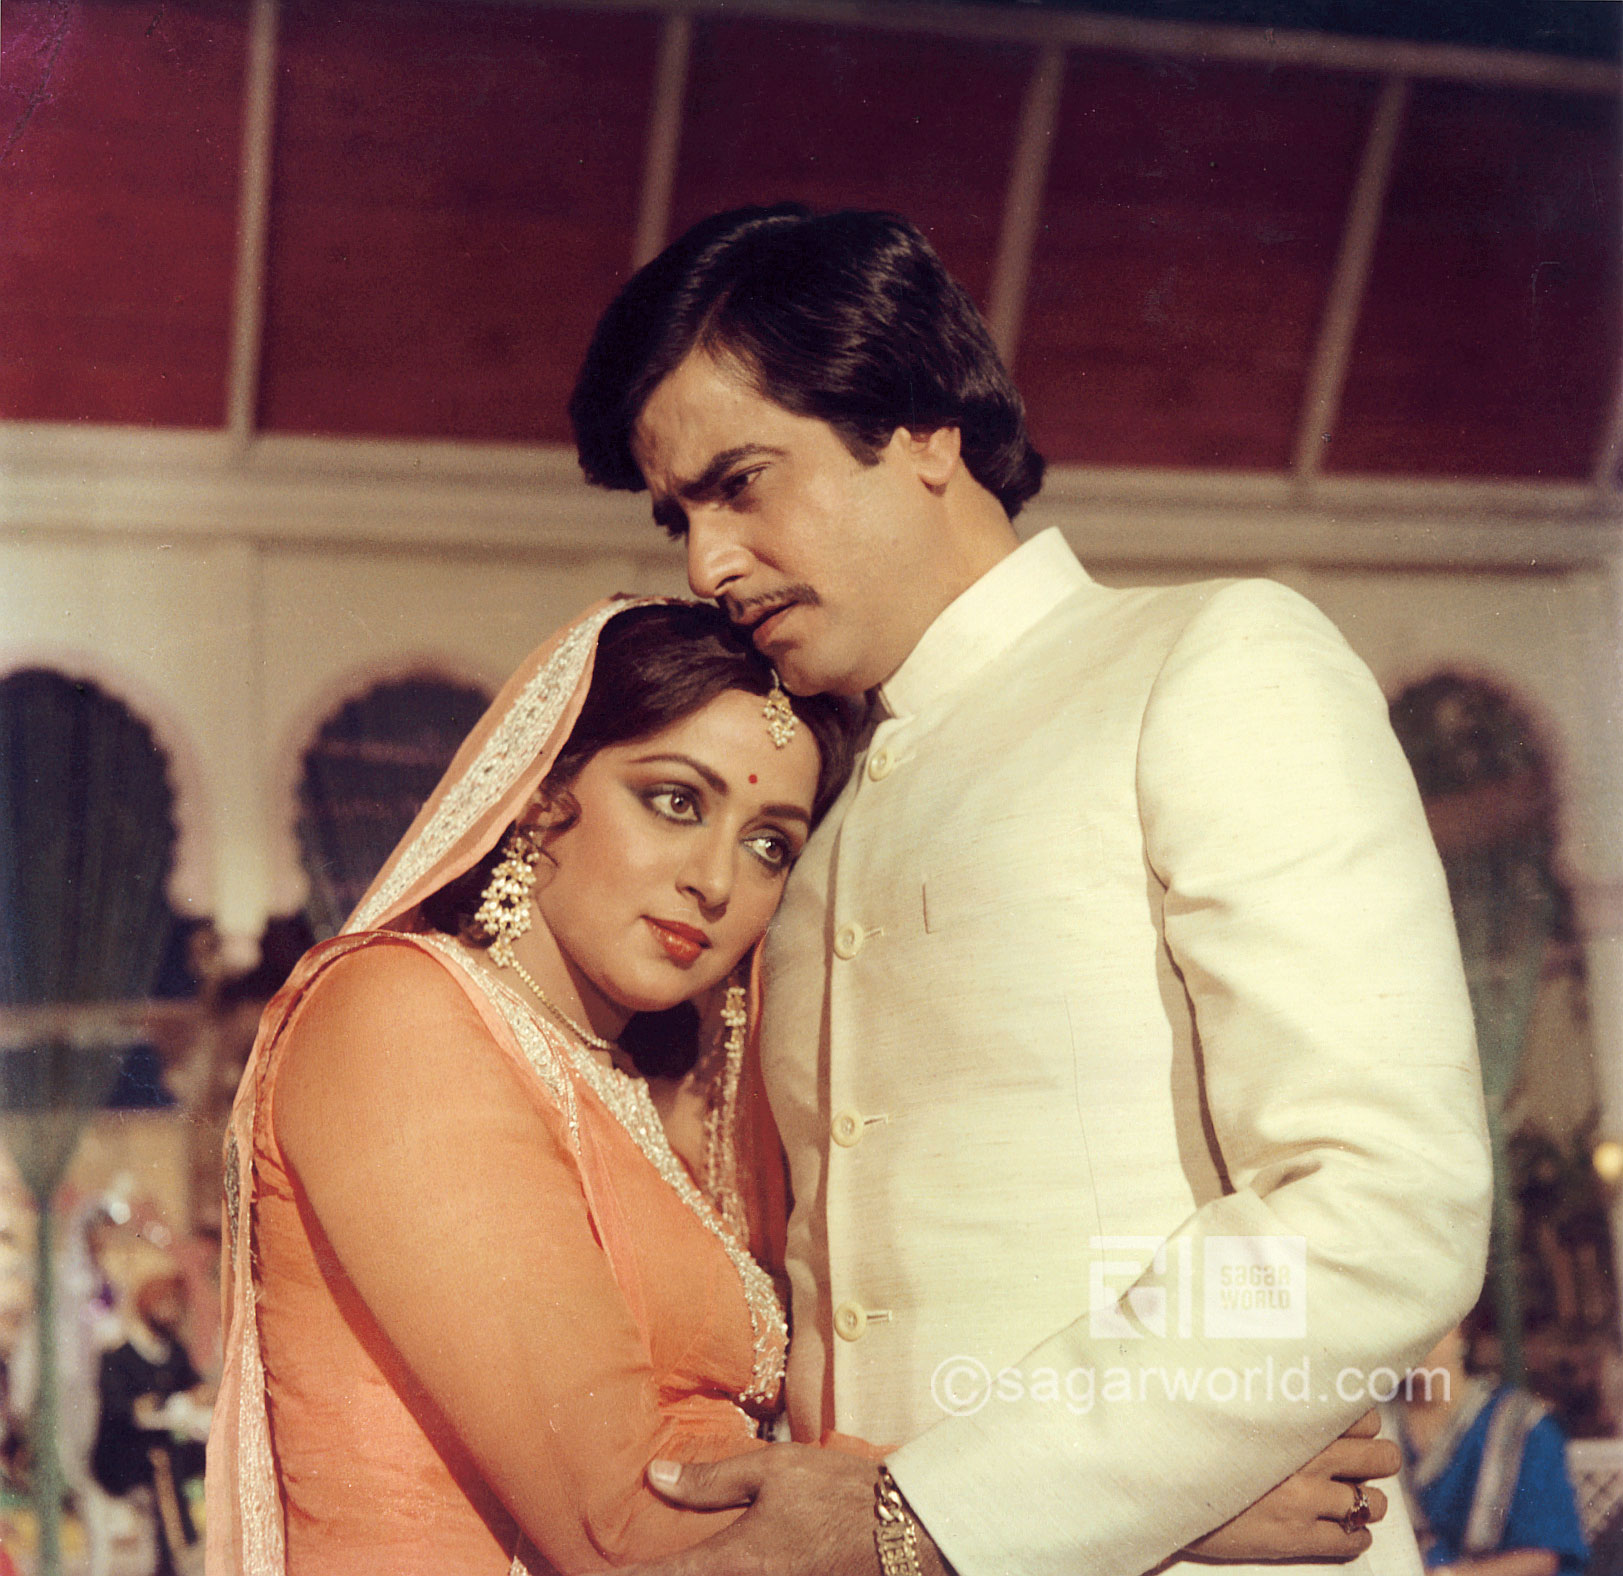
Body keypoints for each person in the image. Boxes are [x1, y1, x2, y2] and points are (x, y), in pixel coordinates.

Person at [567, 205, 1494, 1576]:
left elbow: (1378, 1202)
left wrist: (958, 1509)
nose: (706, 565)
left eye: (741, 484)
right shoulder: (802, 815)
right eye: (678, 519)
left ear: (923, 428)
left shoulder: (1206, 659)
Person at [206, 598, 1394, 1575]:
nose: (716, 879)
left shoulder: (629, 1091)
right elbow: (630, 1521)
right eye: (675, 799)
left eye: (769, 841)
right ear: (541, 793)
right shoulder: (397, 1014)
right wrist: (1160, 1493)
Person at [1394, 1324, 1587, 1576]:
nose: (1418, 1340)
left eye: (1431, 1325)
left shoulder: (1521, 1425)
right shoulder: (1377, 1424)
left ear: (1461, 1330)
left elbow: (1543, 1557)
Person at [93, 1270, 211, 1576]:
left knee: (193, 1454)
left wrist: (196, 1395)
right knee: (161, 1459)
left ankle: (189, 1546)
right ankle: (180, 1550)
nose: (171, 1312)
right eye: (164, 1304)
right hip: (123, 1457)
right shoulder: (120, 1356)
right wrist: (149, 1407)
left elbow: (194, 1386)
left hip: (165, 1447)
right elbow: (118, 1410)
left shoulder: (175, 1352)